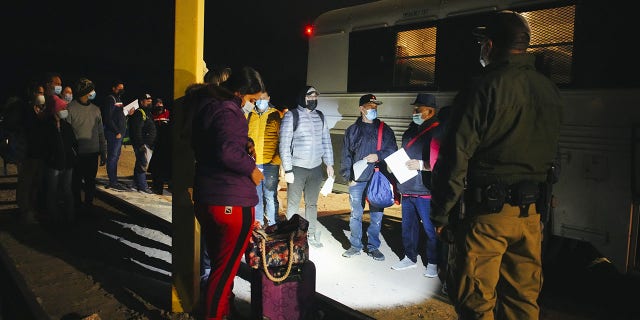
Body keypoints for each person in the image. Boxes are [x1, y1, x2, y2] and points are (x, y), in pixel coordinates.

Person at [430, 11, 563, 320]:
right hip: (531, 218)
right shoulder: (549, 90)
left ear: (489, 46)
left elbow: (456, 156)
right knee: (522, 302)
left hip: (487, 217)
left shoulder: (483, 88)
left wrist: (441, 213)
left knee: (476, 301)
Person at [189, 66, 265, 320]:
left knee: (221, 268)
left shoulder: (206, 106)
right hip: (231, 200)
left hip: (207, 196)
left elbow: (217, 144)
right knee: (223, 273)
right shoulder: (229, 110)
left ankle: (225, 310)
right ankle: (215, 314)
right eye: (252, 99)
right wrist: (251, 169)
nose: (252, 105)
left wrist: (243, 144)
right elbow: (225, 151)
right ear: (240, 92)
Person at [339, 94, 397, 260]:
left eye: (375, 107)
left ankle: (373, 247)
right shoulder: (352, 130)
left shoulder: (384, 129)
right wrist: (347, 176)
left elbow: (392, 150)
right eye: (370, 107)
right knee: (355, 214)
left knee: (376, 216)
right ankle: (355, 246)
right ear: (361, 109)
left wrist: (378, 156)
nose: (373, 109)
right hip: (357, 180)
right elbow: (346, 155)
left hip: (377, 178)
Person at [390, 93, 441, 277]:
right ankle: (409, 257)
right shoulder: (410, 131)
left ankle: (433, 262)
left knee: (429, 228)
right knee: (408, 226)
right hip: (408, 187)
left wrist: (421, 165)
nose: (414, 112)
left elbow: (441, 161)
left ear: (430, 111)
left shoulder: (438, 131)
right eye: (414, 109)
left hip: (425, 189)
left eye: (418, 109)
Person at [279, 85, 334, 248]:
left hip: (316, 168)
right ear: (302, 98)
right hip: (297, 167)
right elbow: (284, 144)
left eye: (315, 97)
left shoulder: (320, 116)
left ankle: (310, 235)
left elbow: (326, 140)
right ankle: (292, 236)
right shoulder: (292, 116)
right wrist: (288, 169)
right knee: (293, 204)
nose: (313, 100)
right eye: (309, 97)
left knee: (312, 203)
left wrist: (329, 163)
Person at [65, 78, 107, 216]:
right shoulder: (70, 108)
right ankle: (77, 206)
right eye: (91, 89)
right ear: (85, 91)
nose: (93, 92)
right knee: (75, 183)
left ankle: (88, 206)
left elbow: (101, 132)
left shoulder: (96, 110)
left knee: (90, 183)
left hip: (93, 153)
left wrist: (103, 151)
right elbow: (66, 133)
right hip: (77, 154)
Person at [246, 91, 282, 226]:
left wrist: (276, 161)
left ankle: (273, 224)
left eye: (264, 98)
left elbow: (281, 140)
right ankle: (258, 223)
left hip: (270, 164)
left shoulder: (275, 115)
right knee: (256, 196)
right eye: (259, 98)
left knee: (270, 195)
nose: (261, 101)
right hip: (253, 163)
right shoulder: (250, 114)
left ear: (269, 98)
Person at [15, 81, 47, 223]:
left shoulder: (43, 110)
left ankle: (32, 209)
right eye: (39, 92)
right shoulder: (25, 110)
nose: (41, 95)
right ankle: (24, 210)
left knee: (36, 183)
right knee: (25, 183)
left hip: (39, 153)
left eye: (42, 93)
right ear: (32, 93)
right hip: (27, 153)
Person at [43, 96, 77, 222]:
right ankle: (54, 217)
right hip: (54, 164)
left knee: (67, 190)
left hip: (68, 164)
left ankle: (70, 216)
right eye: (62, 108)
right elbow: (45, 146)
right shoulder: (47, 126)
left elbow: (73, 143)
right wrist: (50, 158)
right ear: (55, 109)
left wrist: (73, 155)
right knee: (52, 191)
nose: (65, 109)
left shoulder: (66, 126)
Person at [102, 80, 130, 191]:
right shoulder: (111, 99)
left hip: (119, 134)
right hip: (114, 134)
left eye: (122, 88)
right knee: (112, 158)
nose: (121, 90)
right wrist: (116, 131)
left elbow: (118, 114)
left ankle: (114, 180)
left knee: (115, 157)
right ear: (113, 88)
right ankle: (112, 181)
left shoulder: (118, 99)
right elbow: (108, 118)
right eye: (119, 88)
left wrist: (128, 112)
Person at [127, 93, 156, 194]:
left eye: (150, 100)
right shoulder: (139, 113)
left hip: (148, 144)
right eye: (147, 100)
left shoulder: (148, 113)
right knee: (142, 165)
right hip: (143, 144)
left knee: (140, 163)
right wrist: (141, 144)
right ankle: (143, 187)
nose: (150, 102)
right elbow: (136, 130)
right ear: (141, 101)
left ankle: (135, 185)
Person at [148, 98, 171, 194]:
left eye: (160, 103)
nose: (159, 105)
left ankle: (166, 185)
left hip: (166, 143)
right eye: (157, 104)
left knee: (163, 165)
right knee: (157, 165)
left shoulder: (167, 113)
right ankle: (157, 186)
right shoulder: (152, 115)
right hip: (156, 142)